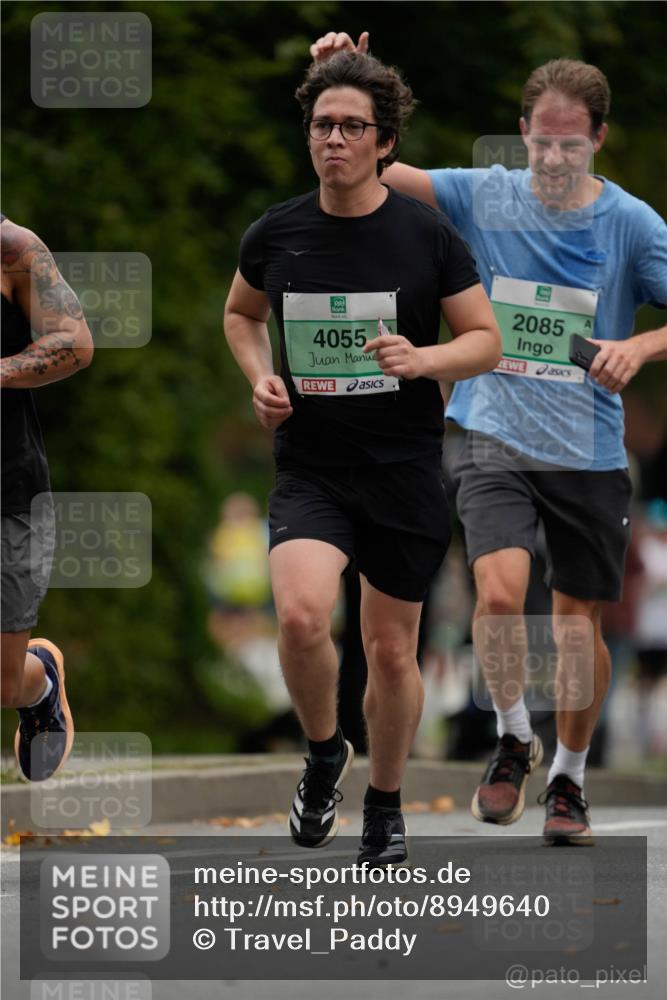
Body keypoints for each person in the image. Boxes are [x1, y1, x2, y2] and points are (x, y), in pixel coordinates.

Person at [312, 34, 667, 844]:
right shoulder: (485, 194)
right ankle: (512, 734)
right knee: (500, 595)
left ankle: (569, 781)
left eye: (567, 143)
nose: (549, 157)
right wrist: (338, 76)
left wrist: (637, 347)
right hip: (489, 433)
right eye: (538, 140)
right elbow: (362, 167)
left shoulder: (633, 227)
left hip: (587, 448)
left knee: (576, 629)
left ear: (597, 139)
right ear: (521, 131)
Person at [224, 52, 501, 866]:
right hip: (310, 465)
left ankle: (384, 801)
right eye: (321, 126)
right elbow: (240, 316)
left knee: (388, 649)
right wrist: (260, 377)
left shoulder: (426, 235)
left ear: (384, 143)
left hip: (403, 469)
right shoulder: (276, 232)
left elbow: (484, 341)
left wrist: (423, 361)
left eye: (351, 127)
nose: (333, 139)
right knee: (305, 616)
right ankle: (321, 756)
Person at [1, 214, 93, 780]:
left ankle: (38, 679)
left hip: (8, 490)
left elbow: (73, 343)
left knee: (4, 683)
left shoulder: (11, 247)